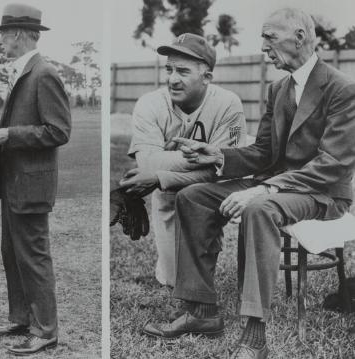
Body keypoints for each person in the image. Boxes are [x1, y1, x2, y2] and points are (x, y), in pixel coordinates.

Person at [143, 8, 355, 359]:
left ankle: (255, 334)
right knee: (193, 197)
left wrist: (267, 188)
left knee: (258, 207)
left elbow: (333, 164)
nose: (263, 47)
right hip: (277, 187)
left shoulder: (342, 89)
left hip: (322, 192)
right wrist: (217, 155)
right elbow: (263, 152)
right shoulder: (278, 88)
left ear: (299, 37)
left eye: (269, 37)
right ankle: (201, 312)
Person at [0, 3, 71, 356]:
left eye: (3, 34)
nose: (1, 41)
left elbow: (58, 131)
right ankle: (21, 317)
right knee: (12, 252)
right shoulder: (25, 71)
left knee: (33, 256)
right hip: (13, 181)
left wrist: (8, 135)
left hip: (30, 184)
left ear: (17, 34)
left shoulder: (43, 73)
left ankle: (45, 330)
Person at [121, 33, 246, 287]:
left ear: (206, 77)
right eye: (169, 70)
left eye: (183, 71)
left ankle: (209, 241)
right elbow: (146, 165)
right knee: (173, 280)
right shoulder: (150, 104)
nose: (173, 79)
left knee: (197, 279)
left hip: (209, 192)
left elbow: (226, 170)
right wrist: (204, 159)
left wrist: (161, 173)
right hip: (167, 194)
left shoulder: (227, 104)